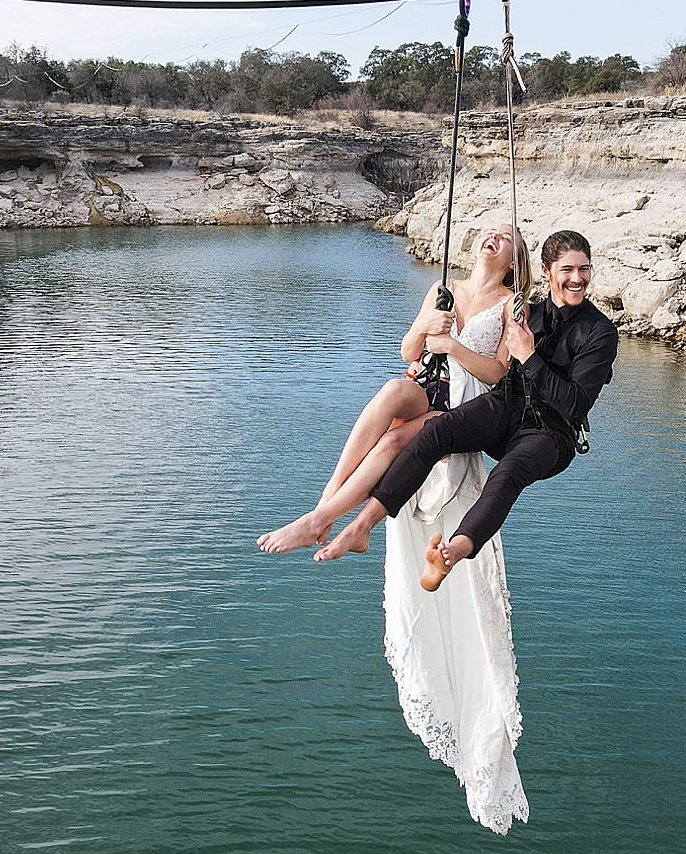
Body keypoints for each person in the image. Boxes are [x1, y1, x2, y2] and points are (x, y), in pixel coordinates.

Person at [314, 230, 616, 598]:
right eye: (567, 269)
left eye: (584, 269)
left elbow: (575, 404)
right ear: (546, 272)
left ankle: (449, 553)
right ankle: (361, 526)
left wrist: (530, 357)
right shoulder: (527, 313)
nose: (577, 278)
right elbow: (485, 365)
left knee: (507, 476)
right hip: (506, 407)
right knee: (436, 431)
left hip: (551, 433)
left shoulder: (601, 332)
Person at [255, 224, 530, 555]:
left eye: (505, 238)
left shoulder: (511, 303)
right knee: (392, 390)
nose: (493, 238)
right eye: (490, 232)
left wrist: (451, 346)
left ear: (513, 262)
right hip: (430, 382)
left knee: (393, 440)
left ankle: (319, 521)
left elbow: (498, 373)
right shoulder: (444, 288)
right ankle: (329, 495)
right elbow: (409, 351)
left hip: (465, 400)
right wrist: (423, 328)